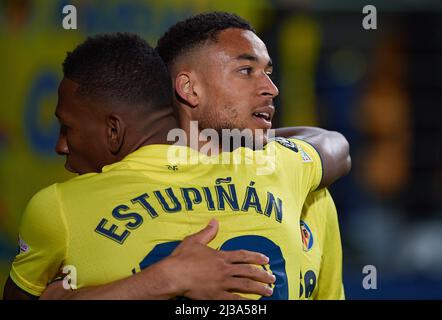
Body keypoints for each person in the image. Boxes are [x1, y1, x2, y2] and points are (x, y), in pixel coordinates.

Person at [5, 16, 349, 300]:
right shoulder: (294, 172)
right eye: (246, 71)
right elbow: (333, 145)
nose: (270, 88)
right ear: (188, 87)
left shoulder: (306, 189)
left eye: (269, 72)